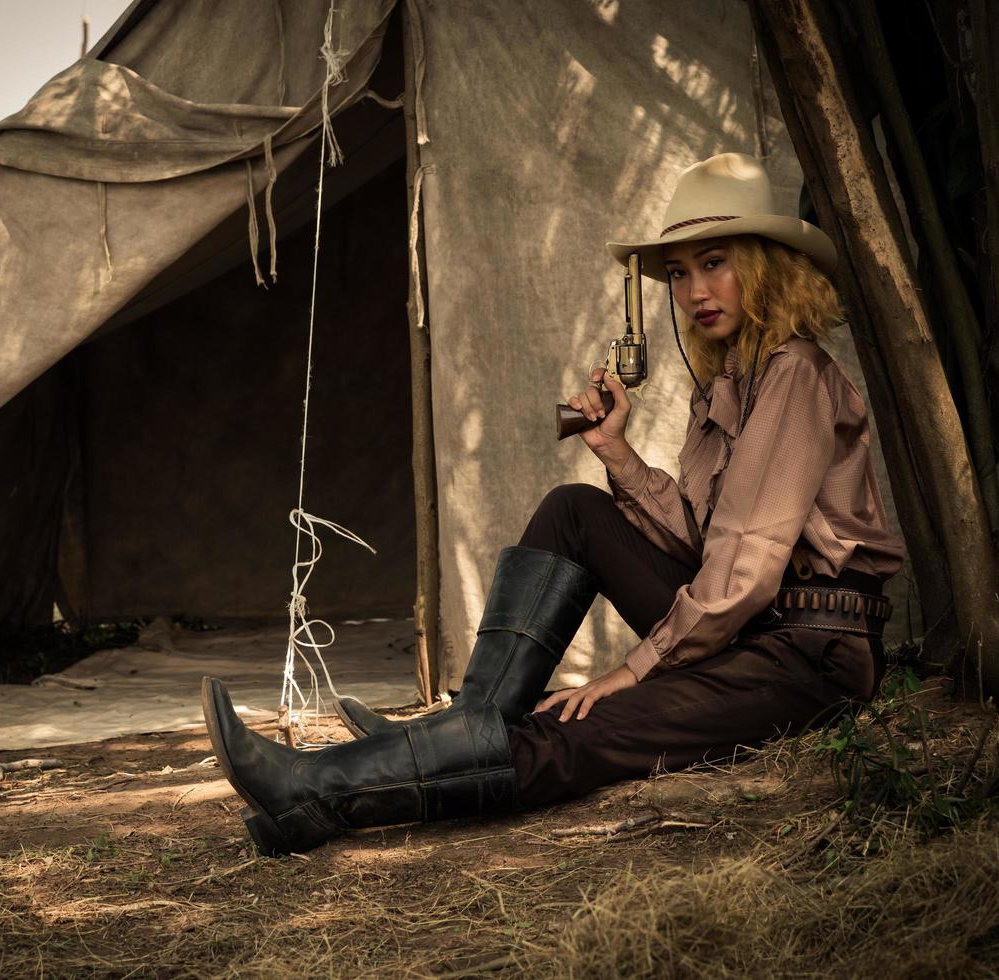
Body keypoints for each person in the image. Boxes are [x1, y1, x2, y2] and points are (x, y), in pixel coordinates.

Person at [201, 152, 906, 857]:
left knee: (577, 729)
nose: (694, 290)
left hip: (806, 653)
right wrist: (616, 452)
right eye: (680, 273)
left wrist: (631, 669)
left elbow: (744, 565)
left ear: (768, 265)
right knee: (576, 509)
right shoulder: (728, 381)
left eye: (715, 262)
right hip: (749, 626)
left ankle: (311, 787)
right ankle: (460, 728)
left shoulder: (794, 375)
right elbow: (701, 539)